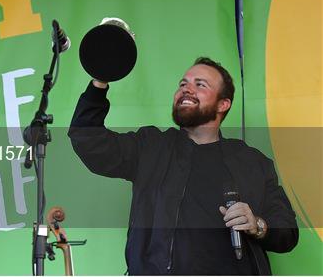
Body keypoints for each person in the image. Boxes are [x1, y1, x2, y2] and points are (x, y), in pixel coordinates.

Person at [68, 57, 298, 275]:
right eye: (183, 84)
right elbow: (89, 141)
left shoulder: (253, 161)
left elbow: (287, 232)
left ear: (223, 104)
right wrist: (100, 80)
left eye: (200, 84)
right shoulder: (151, 147)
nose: (186, 89)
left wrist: (257, 225)